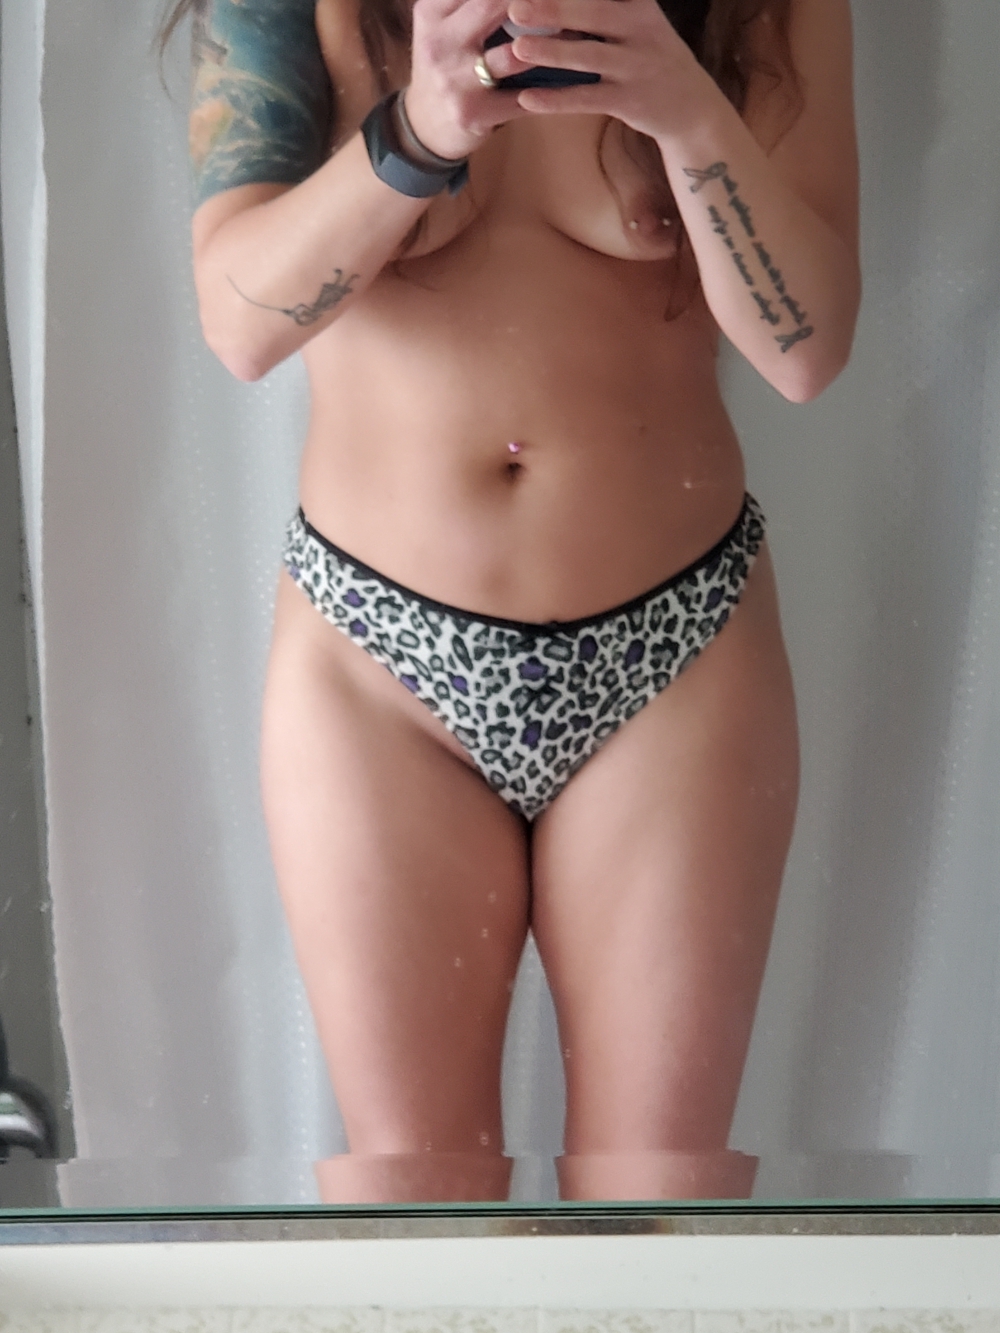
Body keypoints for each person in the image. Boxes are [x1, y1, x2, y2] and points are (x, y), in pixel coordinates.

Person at [161, 0, 859, 1201]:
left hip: (673, 652)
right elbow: (238, 325)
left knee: (661, 1201)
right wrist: (416, 133)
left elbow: (805, 351)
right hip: (374, 667)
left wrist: (684, 109)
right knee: (409, 1198)